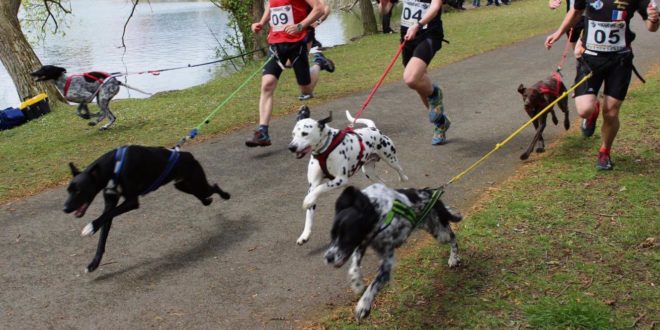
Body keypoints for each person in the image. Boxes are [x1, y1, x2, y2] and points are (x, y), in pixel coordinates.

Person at [545, 0, 658, 170]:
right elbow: (576, 12)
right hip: (590, 59)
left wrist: (654, 18)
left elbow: (651, 27)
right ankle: (593, 110)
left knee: (611, 112)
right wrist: (559, 32)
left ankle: (604, 152)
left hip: (620, 60)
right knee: (584, 110)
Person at [246, 0, 330, 147]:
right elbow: (271, 5)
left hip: (297, 43)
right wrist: (261, 22)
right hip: (276, 43)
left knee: (306, 89)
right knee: (267, 85)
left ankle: (319, 63)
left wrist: (301, 25)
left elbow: (320, 8)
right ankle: (263, 132)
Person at [379, 0, 449, 145]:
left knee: (411, 79)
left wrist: (418, 25)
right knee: (419, 82)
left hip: (428, 34)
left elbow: (435, 7)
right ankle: (440, 123)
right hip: (408, 37)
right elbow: (385, 10)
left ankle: (435, 93)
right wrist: (383, 3)